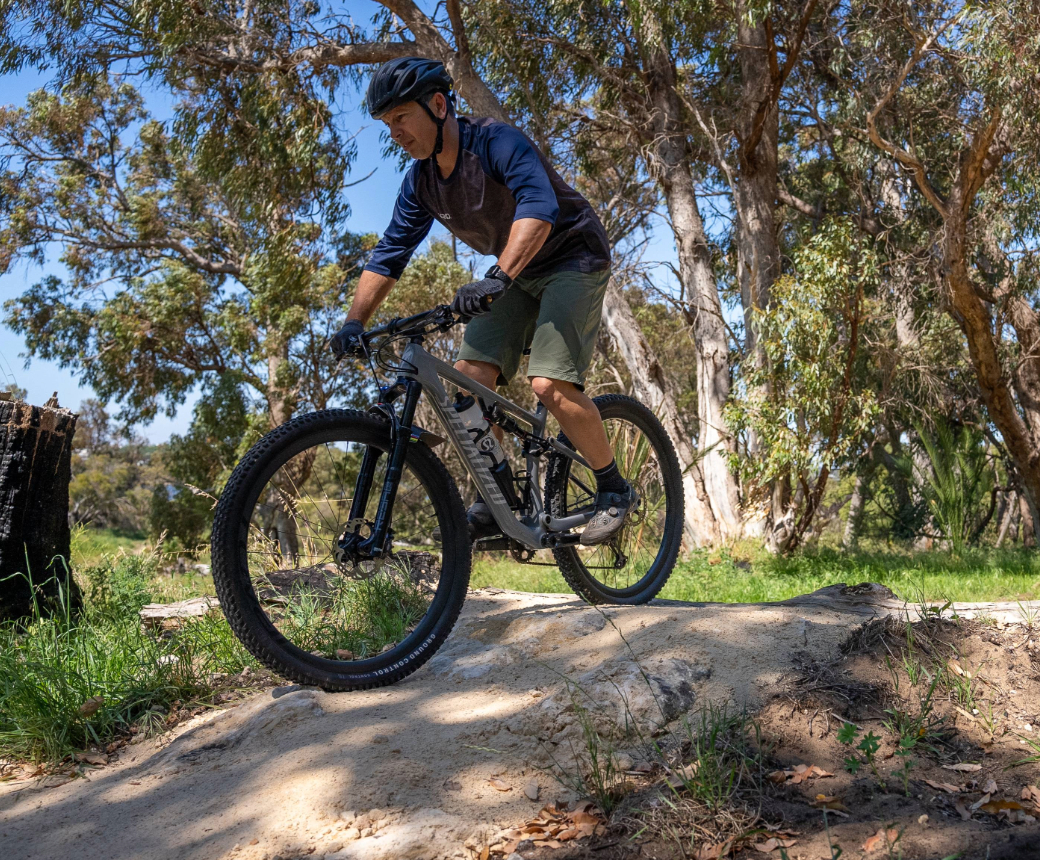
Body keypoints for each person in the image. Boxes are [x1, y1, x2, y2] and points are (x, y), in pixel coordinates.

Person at [331, 57, 633, 546]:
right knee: (467, 382)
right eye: (387, 124)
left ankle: (614, 488)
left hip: (572, 257)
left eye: (401, 117)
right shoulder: (421, 182)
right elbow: (390, 253)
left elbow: (539, 208)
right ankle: (498, 502)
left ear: (438, 105)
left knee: (549, 384)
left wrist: (496, 277)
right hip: (516, 272)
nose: (395, 133)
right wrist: (353, 322)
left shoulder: (496, 142)